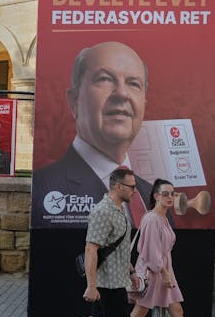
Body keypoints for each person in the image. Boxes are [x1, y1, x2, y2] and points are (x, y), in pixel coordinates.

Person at [50, 168, 156, 317]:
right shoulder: (102, 212)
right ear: (118, 187)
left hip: (118, 278)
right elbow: (91, 249)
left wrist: (131, 272)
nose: (135, 191)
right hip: (108, 283)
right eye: (132, 187)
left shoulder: (119, 209)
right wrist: (91, 285)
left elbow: (118, 248)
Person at [32, 41, 155, 228]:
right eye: (105, 79)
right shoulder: (42, 190)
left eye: (133, 83)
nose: (122, 93)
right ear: (74, 101)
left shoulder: (153, 197)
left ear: (144, 105)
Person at [126, 178, 215, 317]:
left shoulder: (162, 218)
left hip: (163, 272)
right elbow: (151, 253)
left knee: (176, 311)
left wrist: (166, 273)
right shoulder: (152, 219)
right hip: (155, 273)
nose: (170, 197)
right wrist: (164, 273)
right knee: (139, 312)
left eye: (173, 193)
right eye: (165, 193)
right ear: (156, 196)